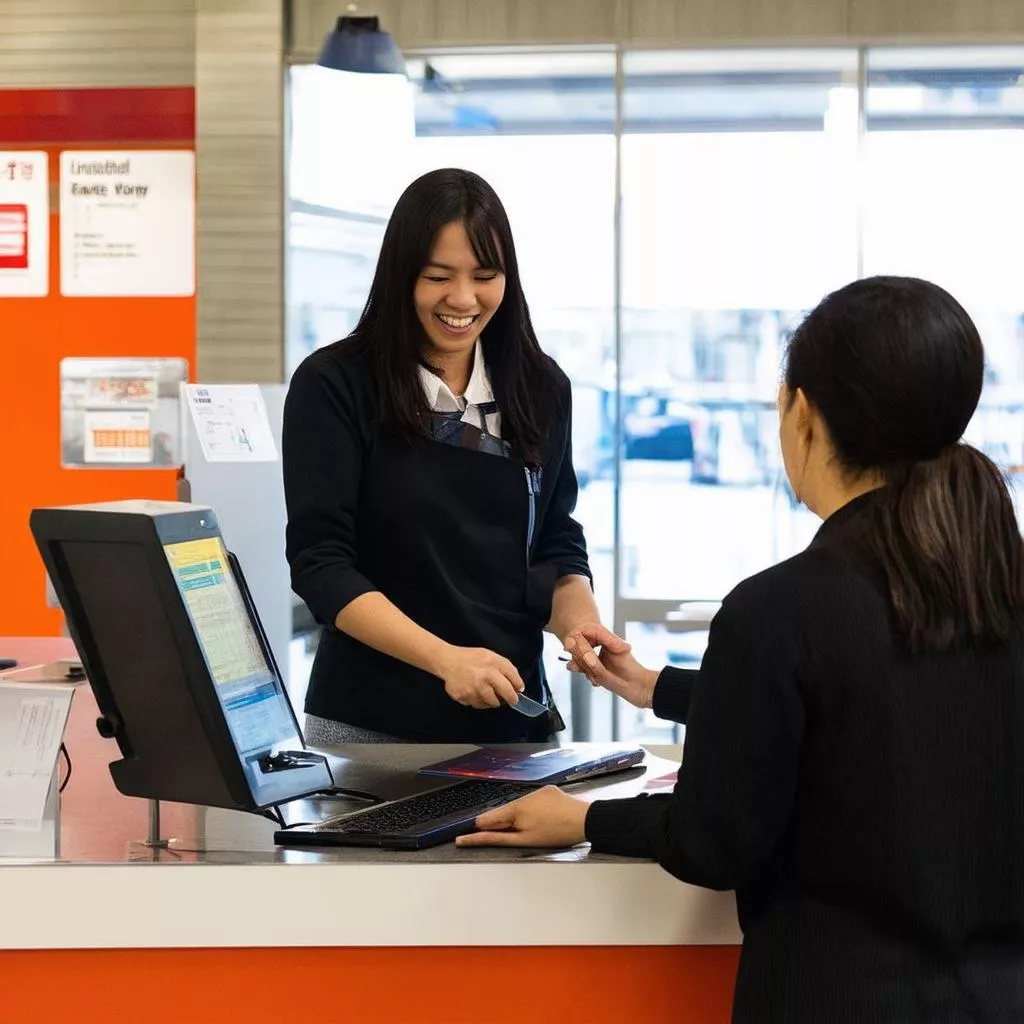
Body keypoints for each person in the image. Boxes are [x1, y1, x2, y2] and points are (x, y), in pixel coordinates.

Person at [458, 276, 1024, 1021]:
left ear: (805, 415)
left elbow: (714, 839)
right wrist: (658, 686)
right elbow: (877, 699)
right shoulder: (994, 583)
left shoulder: (782, 607)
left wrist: (582, 819)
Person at [283, 168, 615, 745]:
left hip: (514, 720)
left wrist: (580, 626)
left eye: (485, 276)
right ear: (400, 276)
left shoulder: (540, 387)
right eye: (439, 276)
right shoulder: (334, 384)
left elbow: (554, 539)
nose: (463, 299)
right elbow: (322, 566)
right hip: (370, 726)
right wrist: (445, 660)